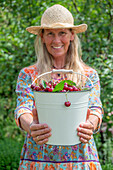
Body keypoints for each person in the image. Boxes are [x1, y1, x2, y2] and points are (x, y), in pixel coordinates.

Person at [15, 4, 103, 170]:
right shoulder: (29, 75)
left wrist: (91, 124)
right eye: (50, 34)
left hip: (80, 159)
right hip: (39, 157)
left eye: (62, 33)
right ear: (42, 37)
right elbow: (23, 109)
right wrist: (31, 127)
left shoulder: (88, 76)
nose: (56, 40)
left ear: (72, 35)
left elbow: (95, 108)